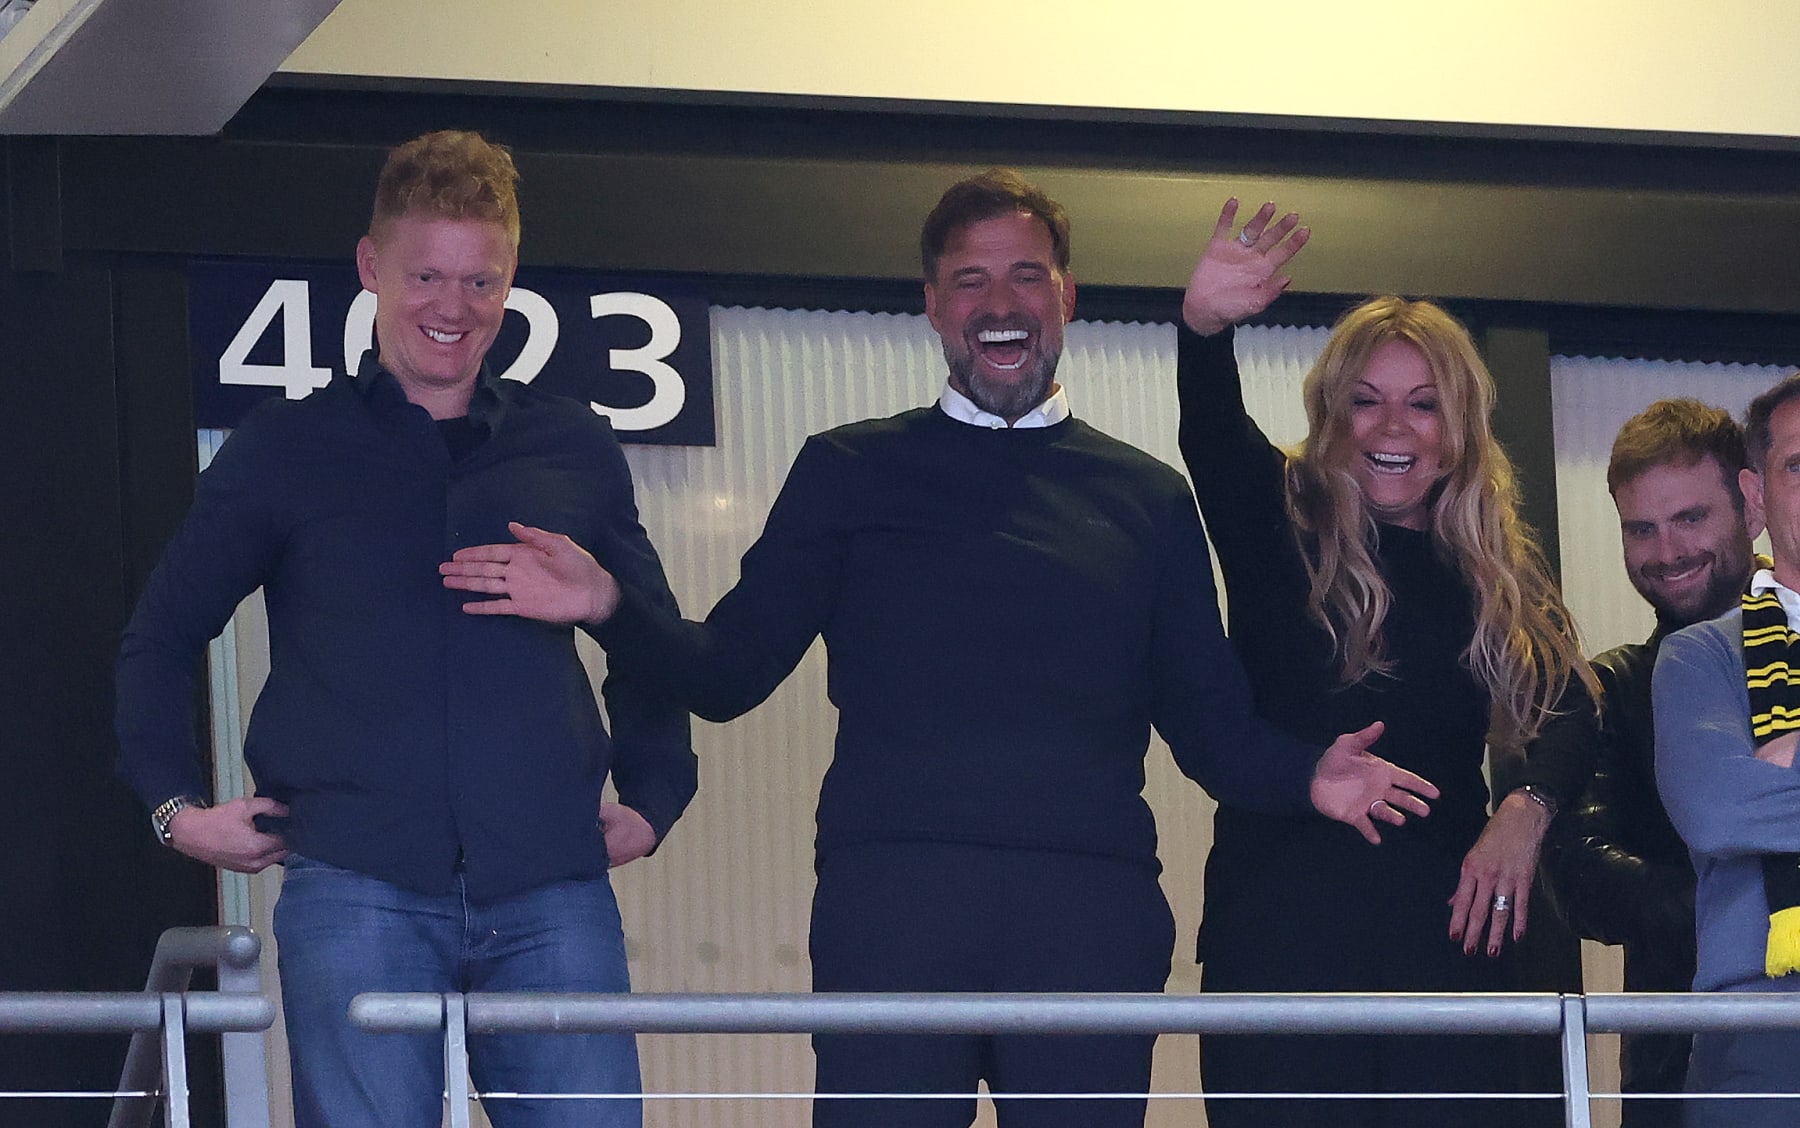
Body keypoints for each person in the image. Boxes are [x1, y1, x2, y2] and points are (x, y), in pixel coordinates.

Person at [440, 169, 1437, 1128]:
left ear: (1067, 296)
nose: (999, 300)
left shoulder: (1146, 499)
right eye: (971, 277)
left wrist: (1311, 776)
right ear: (932, 303)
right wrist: (610, 602)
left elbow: (1209, 727)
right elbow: (727, 673)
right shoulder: (847, 470)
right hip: (894, 908)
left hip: (1088, 914)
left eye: (1026, 274)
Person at [114, 130, 695, 1128]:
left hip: (552, 886)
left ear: (510, 281)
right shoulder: (284, 450)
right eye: (427, 274)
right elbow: (159, 637)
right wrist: (176, 809)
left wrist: (653, 790)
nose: (452, 309)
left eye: (482, 281)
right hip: (355, 887)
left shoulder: (574, 447)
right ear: (371, 267)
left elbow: (645, 636)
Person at [1176, 199, 1599, 1127]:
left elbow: (1572, 700)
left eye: (1421, 402)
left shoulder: (1490, 563)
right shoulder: (1275, 523)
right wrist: (1203, 329)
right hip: (1283, 942)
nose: (1389, 428)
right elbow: (1209, 431)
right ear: (1331, 414)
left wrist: (1526, 812)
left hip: (1454, 942)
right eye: (1364, 400)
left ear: (1460, 425)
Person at [1546, 399, 1758, 1126]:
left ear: (1752, 505)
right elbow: (1580, 871)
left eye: (1690, 518)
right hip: (1677, 1070)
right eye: (1641, 528)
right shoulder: (1610, 687)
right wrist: (1757, 916)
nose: (1666, 551)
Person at [1654, 373, 1800, 1128]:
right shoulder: (1696, 657)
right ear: (1755, 495)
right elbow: (1715, 811)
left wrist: (1782, 756)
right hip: (1762, 1024)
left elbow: (1749, 803)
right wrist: (1746, 789)